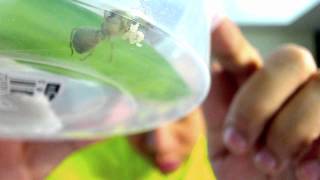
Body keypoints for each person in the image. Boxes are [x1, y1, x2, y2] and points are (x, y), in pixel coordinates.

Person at [0, 8, 320, 180]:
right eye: (140, 117)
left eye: (175, 112)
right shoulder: (58, 142)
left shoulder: (240, 156)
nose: (161, 143)